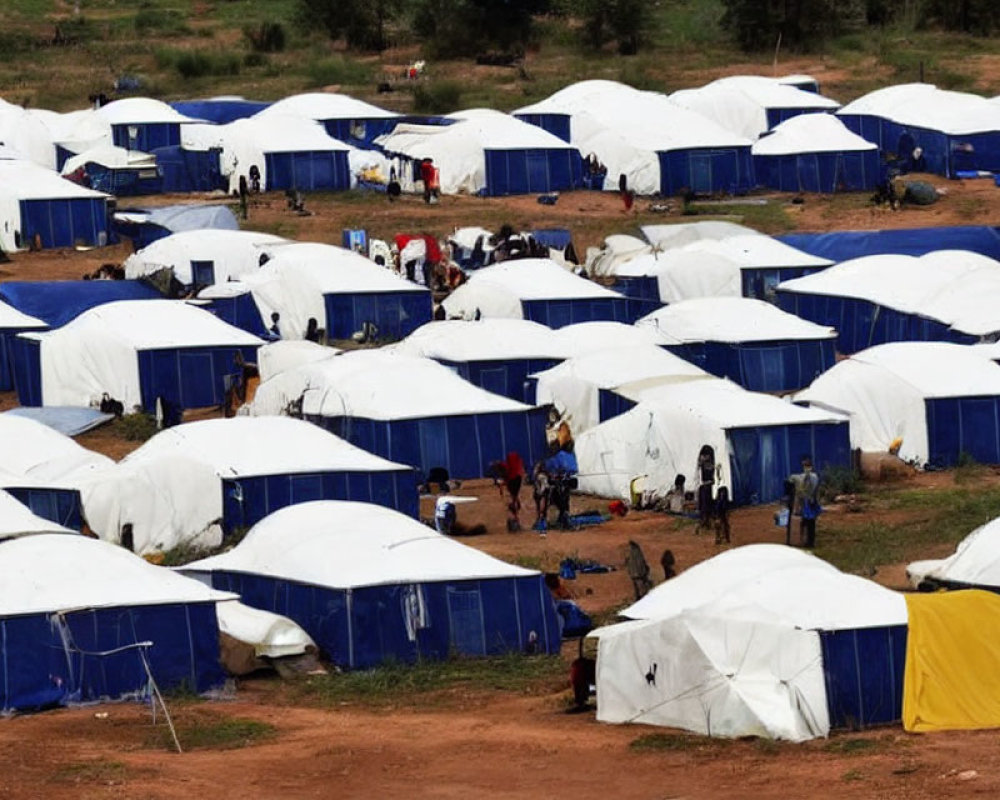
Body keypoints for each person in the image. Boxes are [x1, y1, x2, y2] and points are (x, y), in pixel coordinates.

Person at [790, 456, 821, 548]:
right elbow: (794, 479)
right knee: (805, 522)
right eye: (804, 466)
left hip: (811, 502)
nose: (806, 468)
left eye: (807, 466)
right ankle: (805, 540)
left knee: (810, 523)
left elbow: (814, 489)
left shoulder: (814, 477)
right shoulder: (803, 477)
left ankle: (810, 542)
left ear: (811, 467)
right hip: (806, 503)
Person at [696, 445, 716, 535]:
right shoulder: (705, 463)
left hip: (707, 485)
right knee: (704, 503)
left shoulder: (709, 464)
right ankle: (705, 520)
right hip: (704, 485)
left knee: (706, 503)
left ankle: (706, 520)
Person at [531, 460, 551, 531]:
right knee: (540, 508)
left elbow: (544, 485)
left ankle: (542, 521)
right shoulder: (540, 475)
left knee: (542, 507)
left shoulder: (541, 476)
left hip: (542, 493)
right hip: (540, 492)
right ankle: (541, 520)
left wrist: (540, 492)